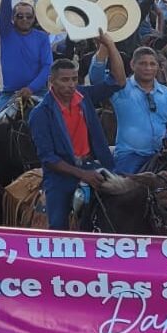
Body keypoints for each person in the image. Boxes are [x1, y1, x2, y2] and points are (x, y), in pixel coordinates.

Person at [28, 40, 124, 229]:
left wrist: (110, 45)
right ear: (51, 82)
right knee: (58, 226)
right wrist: (83, 175)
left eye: (74, 79)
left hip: (92, 165)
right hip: (60, 175)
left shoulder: (84, 96)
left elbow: (119, 81)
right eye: (65, 80)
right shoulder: (40, 114)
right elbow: (48, 158)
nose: (71, 85)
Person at [92, 45, 167, 174]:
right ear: (132, 65)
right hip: (130, 156)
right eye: (143, 63)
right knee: (126, 185)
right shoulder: (121, 88)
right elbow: (97, 79)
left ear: (158, 66)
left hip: (161, 155)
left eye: (152, 64)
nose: (148, 68)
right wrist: (104, 47)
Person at [0, 0, 53, 126]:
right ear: (12, 18)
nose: (24, 19)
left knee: (59, 124)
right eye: (19, 16)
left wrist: (31, 88)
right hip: (11, 94)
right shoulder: (6, 32)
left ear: (34, 18)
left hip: (39, 92)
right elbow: (5, 4)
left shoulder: (42, 38)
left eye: (29, 16)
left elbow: (47, 66)